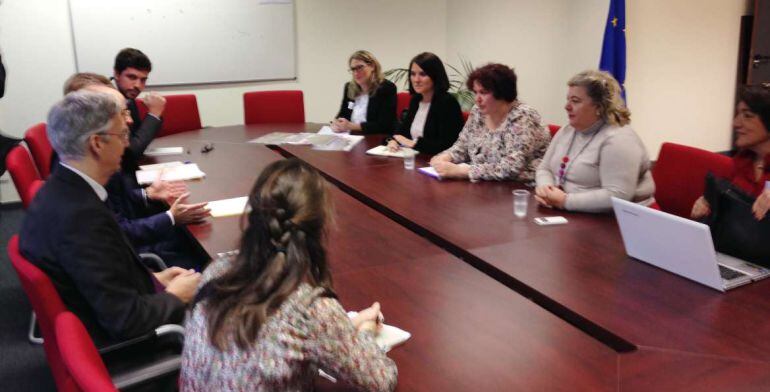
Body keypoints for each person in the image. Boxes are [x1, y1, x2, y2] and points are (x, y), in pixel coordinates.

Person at [181, 159, 397, 392]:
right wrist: (364, 331)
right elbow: (381, 379)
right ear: (319, 227)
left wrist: (340, 331)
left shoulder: (216, 269)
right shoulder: (310, 308)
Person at [19, 90, 201, 346]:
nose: (128, 144)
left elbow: (102, 277)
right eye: (123, 135)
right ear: (97, 143)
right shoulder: (81, 221)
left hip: (111, 310)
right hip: (129, 346)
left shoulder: (63, 190)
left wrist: (153, 279)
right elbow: (125, 320)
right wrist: (175, 296)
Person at [57, 73, 210, 270]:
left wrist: (147, 194)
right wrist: (170, 218)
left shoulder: (87, 158)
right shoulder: (86, 166)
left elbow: (116, 203)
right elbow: (117, 233)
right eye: (121, 112)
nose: (129, 120)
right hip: (137, 259)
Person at [535, 70, 654, 213]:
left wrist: (565, 201)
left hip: (622, 220)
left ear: (599, 107)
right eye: (568, 99)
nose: (567, 106)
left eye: (575, 101)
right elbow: (544, 168)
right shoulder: (568, 130)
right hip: (571, 212)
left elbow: (618, 195)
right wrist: (546, 188)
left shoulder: (619, 139)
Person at [429, 63, 549, 182]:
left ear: (502, 92)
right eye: (475, 92)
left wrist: (462, 171)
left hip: (521, 189)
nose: (477, 99)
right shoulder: (478, 111)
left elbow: (512, 167)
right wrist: (445, 157)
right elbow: (462, 145)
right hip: (485, 185)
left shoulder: (523, 116)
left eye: (483, 92)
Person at [691, 85, 770, 220]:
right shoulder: (741, 161)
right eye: (737, 114)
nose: (735, 123)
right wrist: (705, 208)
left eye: (747, 115)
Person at [387, 52, 464, 155]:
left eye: (423, 74)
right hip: (415, 158)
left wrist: (414, 144)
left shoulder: (447, 103)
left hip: (435, 162)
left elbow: (448, 145)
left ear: (435, 76)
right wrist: (393, 141)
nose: (416, 80)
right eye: (413, 74)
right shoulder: (416, 100)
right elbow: (402, 132)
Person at [113, 48, 166, 171]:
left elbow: (137, 136)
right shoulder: (109, 101)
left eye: (143, 80)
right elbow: (130, 154)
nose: (138, 85)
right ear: (116, 74)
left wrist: (155, 115)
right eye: (132, 77)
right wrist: (154, 114)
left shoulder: (127, 97)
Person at [331, 50, 397, 135]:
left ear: (372, 66)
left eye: (360, 67)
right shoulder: (349, 87)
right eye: (353, 69)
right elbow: (343, 114)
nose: (355, 73)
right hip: (351, 137)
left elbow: (384, 125)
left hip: (376, 138)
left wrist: (351, 126)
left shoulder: (386, 88)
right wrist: (336, 123)